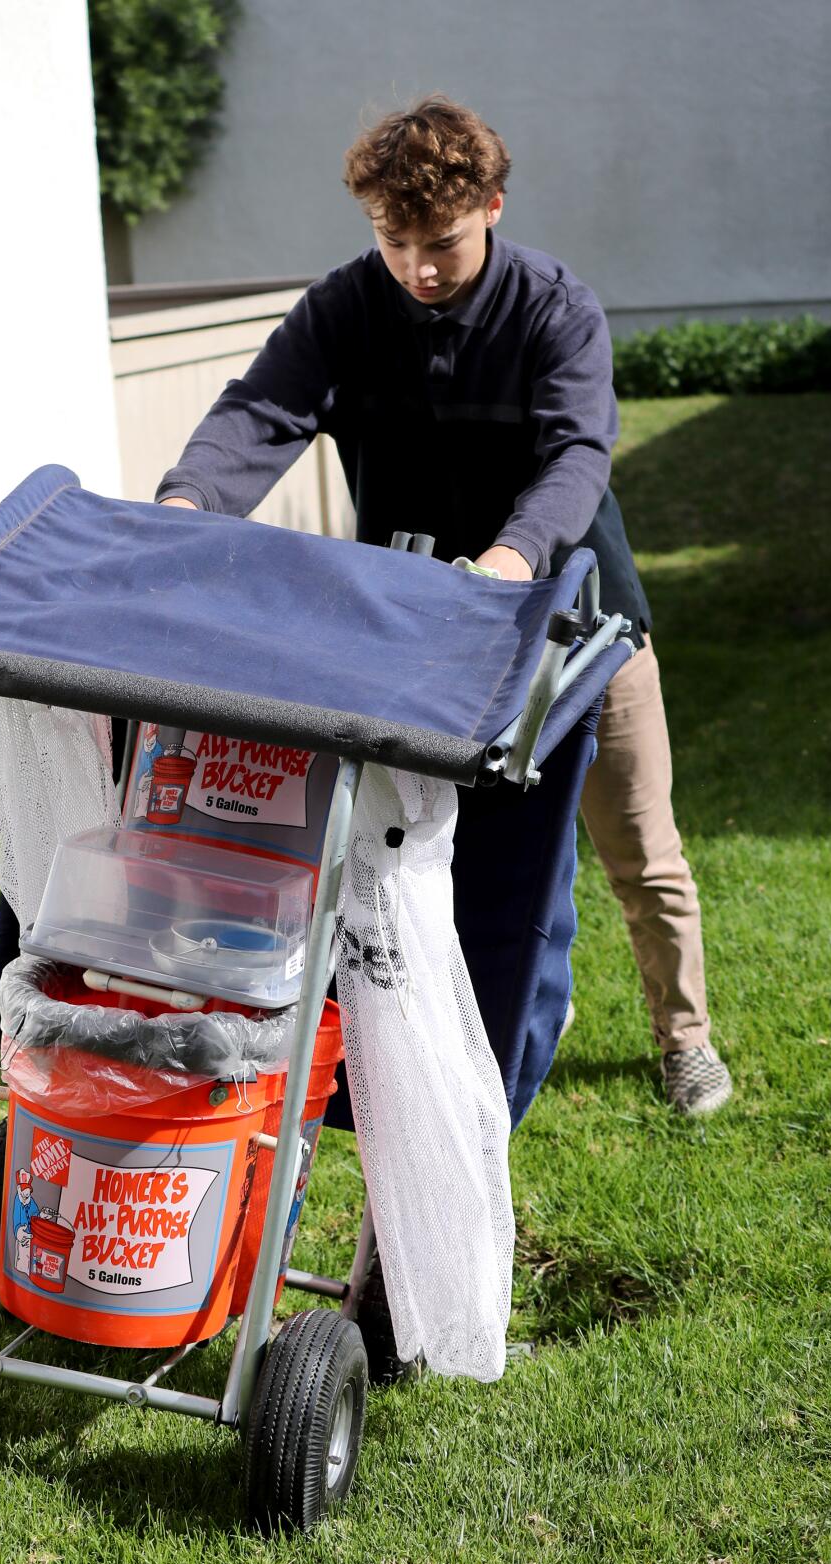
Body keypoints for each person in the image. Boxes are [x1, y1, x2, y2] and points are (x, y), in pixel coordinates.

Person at [156, 97, 732, 1116]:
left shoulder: (557, 309)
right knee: (425, 859)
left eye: (443, 243)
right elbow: (259, 411)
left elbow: (575, 461)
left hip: (581, 629)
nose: (419, 267)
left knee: (640, 855)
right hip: (425, 642)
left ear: (493, 206)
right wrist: (185, 505)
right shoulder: (343, 310)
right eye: (394, 242)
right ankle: (427, 1050)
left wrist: (511, 561)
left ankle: (685, 1038)